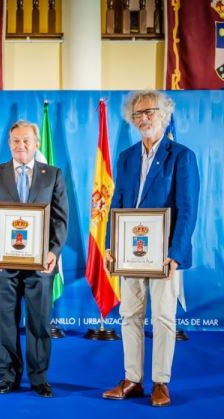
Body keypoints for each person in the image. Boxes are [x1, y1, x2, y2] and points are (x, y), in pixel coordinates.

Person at [102, 90, 199, 407]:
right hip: (130, 252)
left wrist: (177, 252)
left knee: (163, 318)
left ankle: (161, 382)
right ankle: (132, 379)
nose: (143, 118)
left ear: (164, 115)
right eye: (137, 114)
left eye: (149, 112)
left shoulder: (181, 156)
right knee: (129, 315)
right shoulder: (126, 156)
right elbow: (117, 203)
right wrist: (110, 244)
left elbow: (188, 209)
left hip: (164, 254)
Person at [0, 120, 68, 397]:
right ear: (9, 143)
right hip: (4, 265)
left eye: (27, 140)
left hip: (40, 264)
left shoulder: (52, 174)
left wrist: (53, 252)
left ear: (37, 143)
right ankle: (8, 377)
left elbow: (61, 220)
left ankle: (39, 378)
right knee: (6, 322)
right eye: (16, 140)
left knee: (39, 323)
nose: (21, 146)